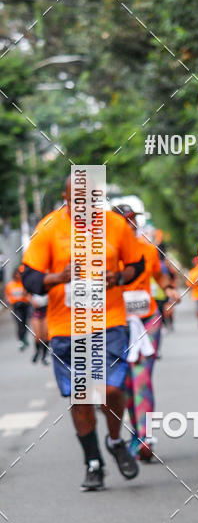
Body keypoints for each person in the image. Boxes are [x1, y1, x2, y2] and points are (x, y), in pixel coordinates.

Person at [21, 177, 145, 490]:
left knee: (111, 390)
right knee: (82, 396)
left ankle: (115, 441)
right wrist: (57, 277)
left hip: (110, 320)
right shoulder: (49, 228)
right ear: (65, 197)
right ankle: (93, 462)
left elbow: (137, 265)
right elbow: (30, 279)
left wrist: (118, 276)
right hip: (66, 326)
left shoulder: (115, 225)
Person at [113, 204, 179, 461]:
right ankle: (134, 434)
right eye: (125, 221)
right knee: (124, 384)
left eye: (133, 220)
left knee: (142, 378)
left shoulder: (147, 249)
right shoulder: (105, 253)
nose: (130, 225)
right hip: (116, 324)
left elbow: (160, 277)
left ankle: (144, 437)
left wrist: (170, 288)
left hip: (147, 319)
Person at [5, 268, 30, 350]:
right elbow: (7, 296)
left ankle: (24, 337)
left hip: (25, 305)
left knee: (25, 323)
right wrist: (9, 305)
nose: (17, 275)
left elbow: (28, 294)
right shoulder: (10, 285)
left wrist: (26, 294)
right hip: (16, 307)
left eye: (18, 274)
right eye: (16, 274)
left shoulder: (24, 283)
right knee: (19, 323)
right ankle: (20, 340)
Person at [30, 291, 50, 364]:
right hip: (36, 313)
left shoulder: (48, 286)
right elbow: (26, 294)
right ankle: (37, 352)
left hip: (46, 312)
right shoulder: (33, 287)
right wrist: (31, 300)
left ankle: (44, 356)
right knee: (38, 336)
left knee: (46, 335)